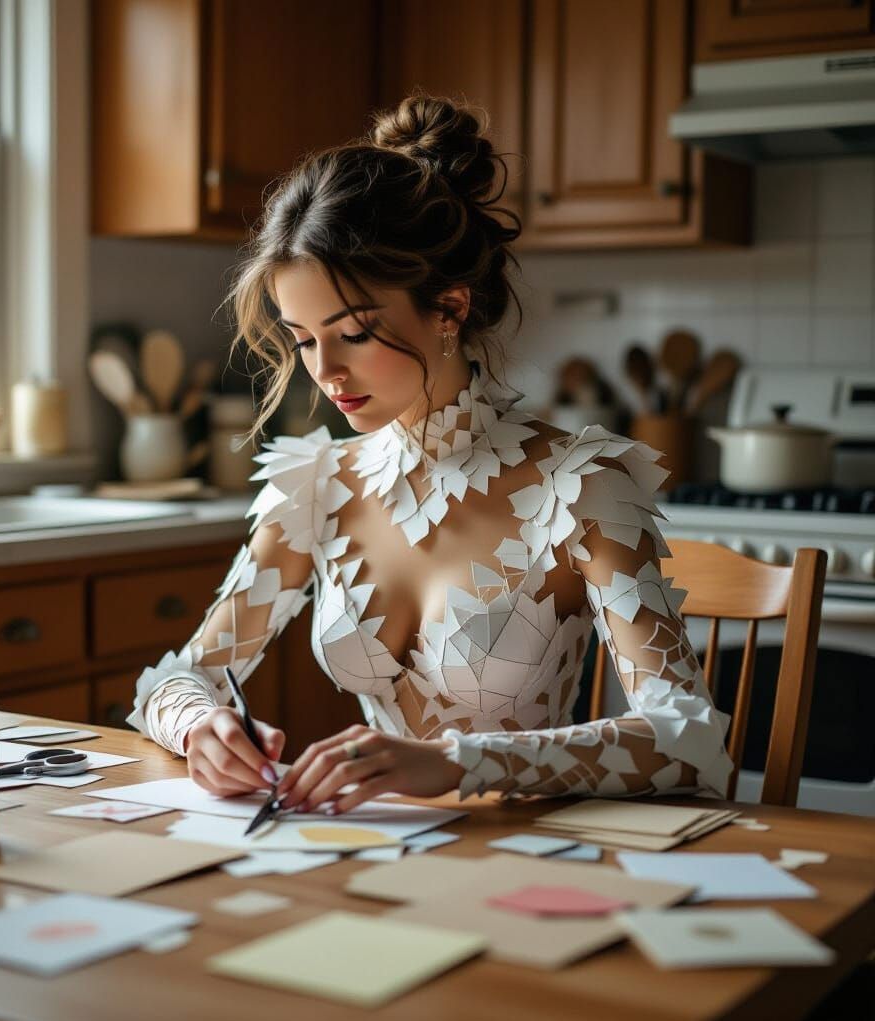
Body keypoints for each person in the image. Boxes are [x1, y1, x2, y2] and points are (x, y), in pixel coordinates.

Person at [127, 92, 733, 816]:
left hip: (535, 855)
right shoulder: (316, 485)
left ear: (448, 309)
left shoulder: (581, 486)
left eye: (353, 332)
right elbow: (180, 678)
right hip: (372, 850)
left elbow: (689, 739)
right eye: (303, 338)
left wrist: (454, 763)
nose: (326, 372)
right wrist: (202, 726)